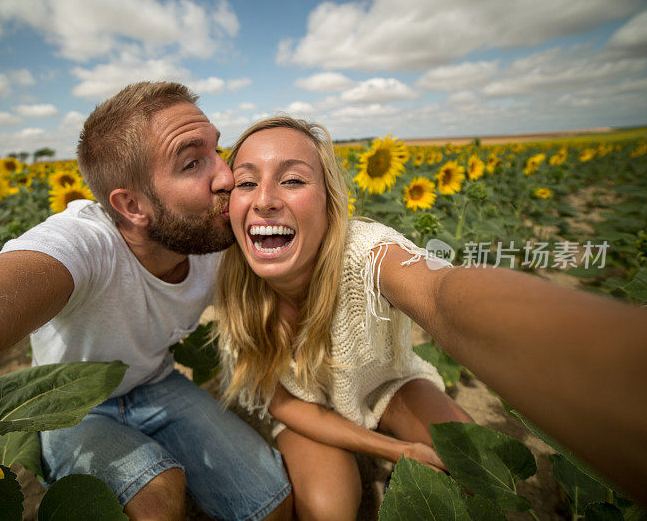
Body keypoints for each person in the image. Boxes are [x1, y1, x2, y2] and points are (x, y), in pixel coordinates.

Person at [0, 82, 292, 521]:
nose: (228, 177)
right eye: (193, 162)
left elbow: (319, 254)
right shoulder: (85, 243)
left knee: (272, 501)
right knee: (156, 496)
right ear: (131, 205)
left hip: (158, 384)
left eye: (219, 150)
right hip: (72, 408)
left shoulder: (214, 237)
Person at [214, 116, 647, 513]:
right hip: (306, 410)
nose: (265, 200)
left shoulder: (363, 252)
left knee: (483, 465)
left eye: (291, 179)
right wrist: (393, 451)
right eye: (246, 183)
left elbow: (441, 296)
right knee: (329, 511)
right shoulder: (232, 280)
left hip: (386, 387)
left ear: (331, 201)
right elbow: (284, 402)